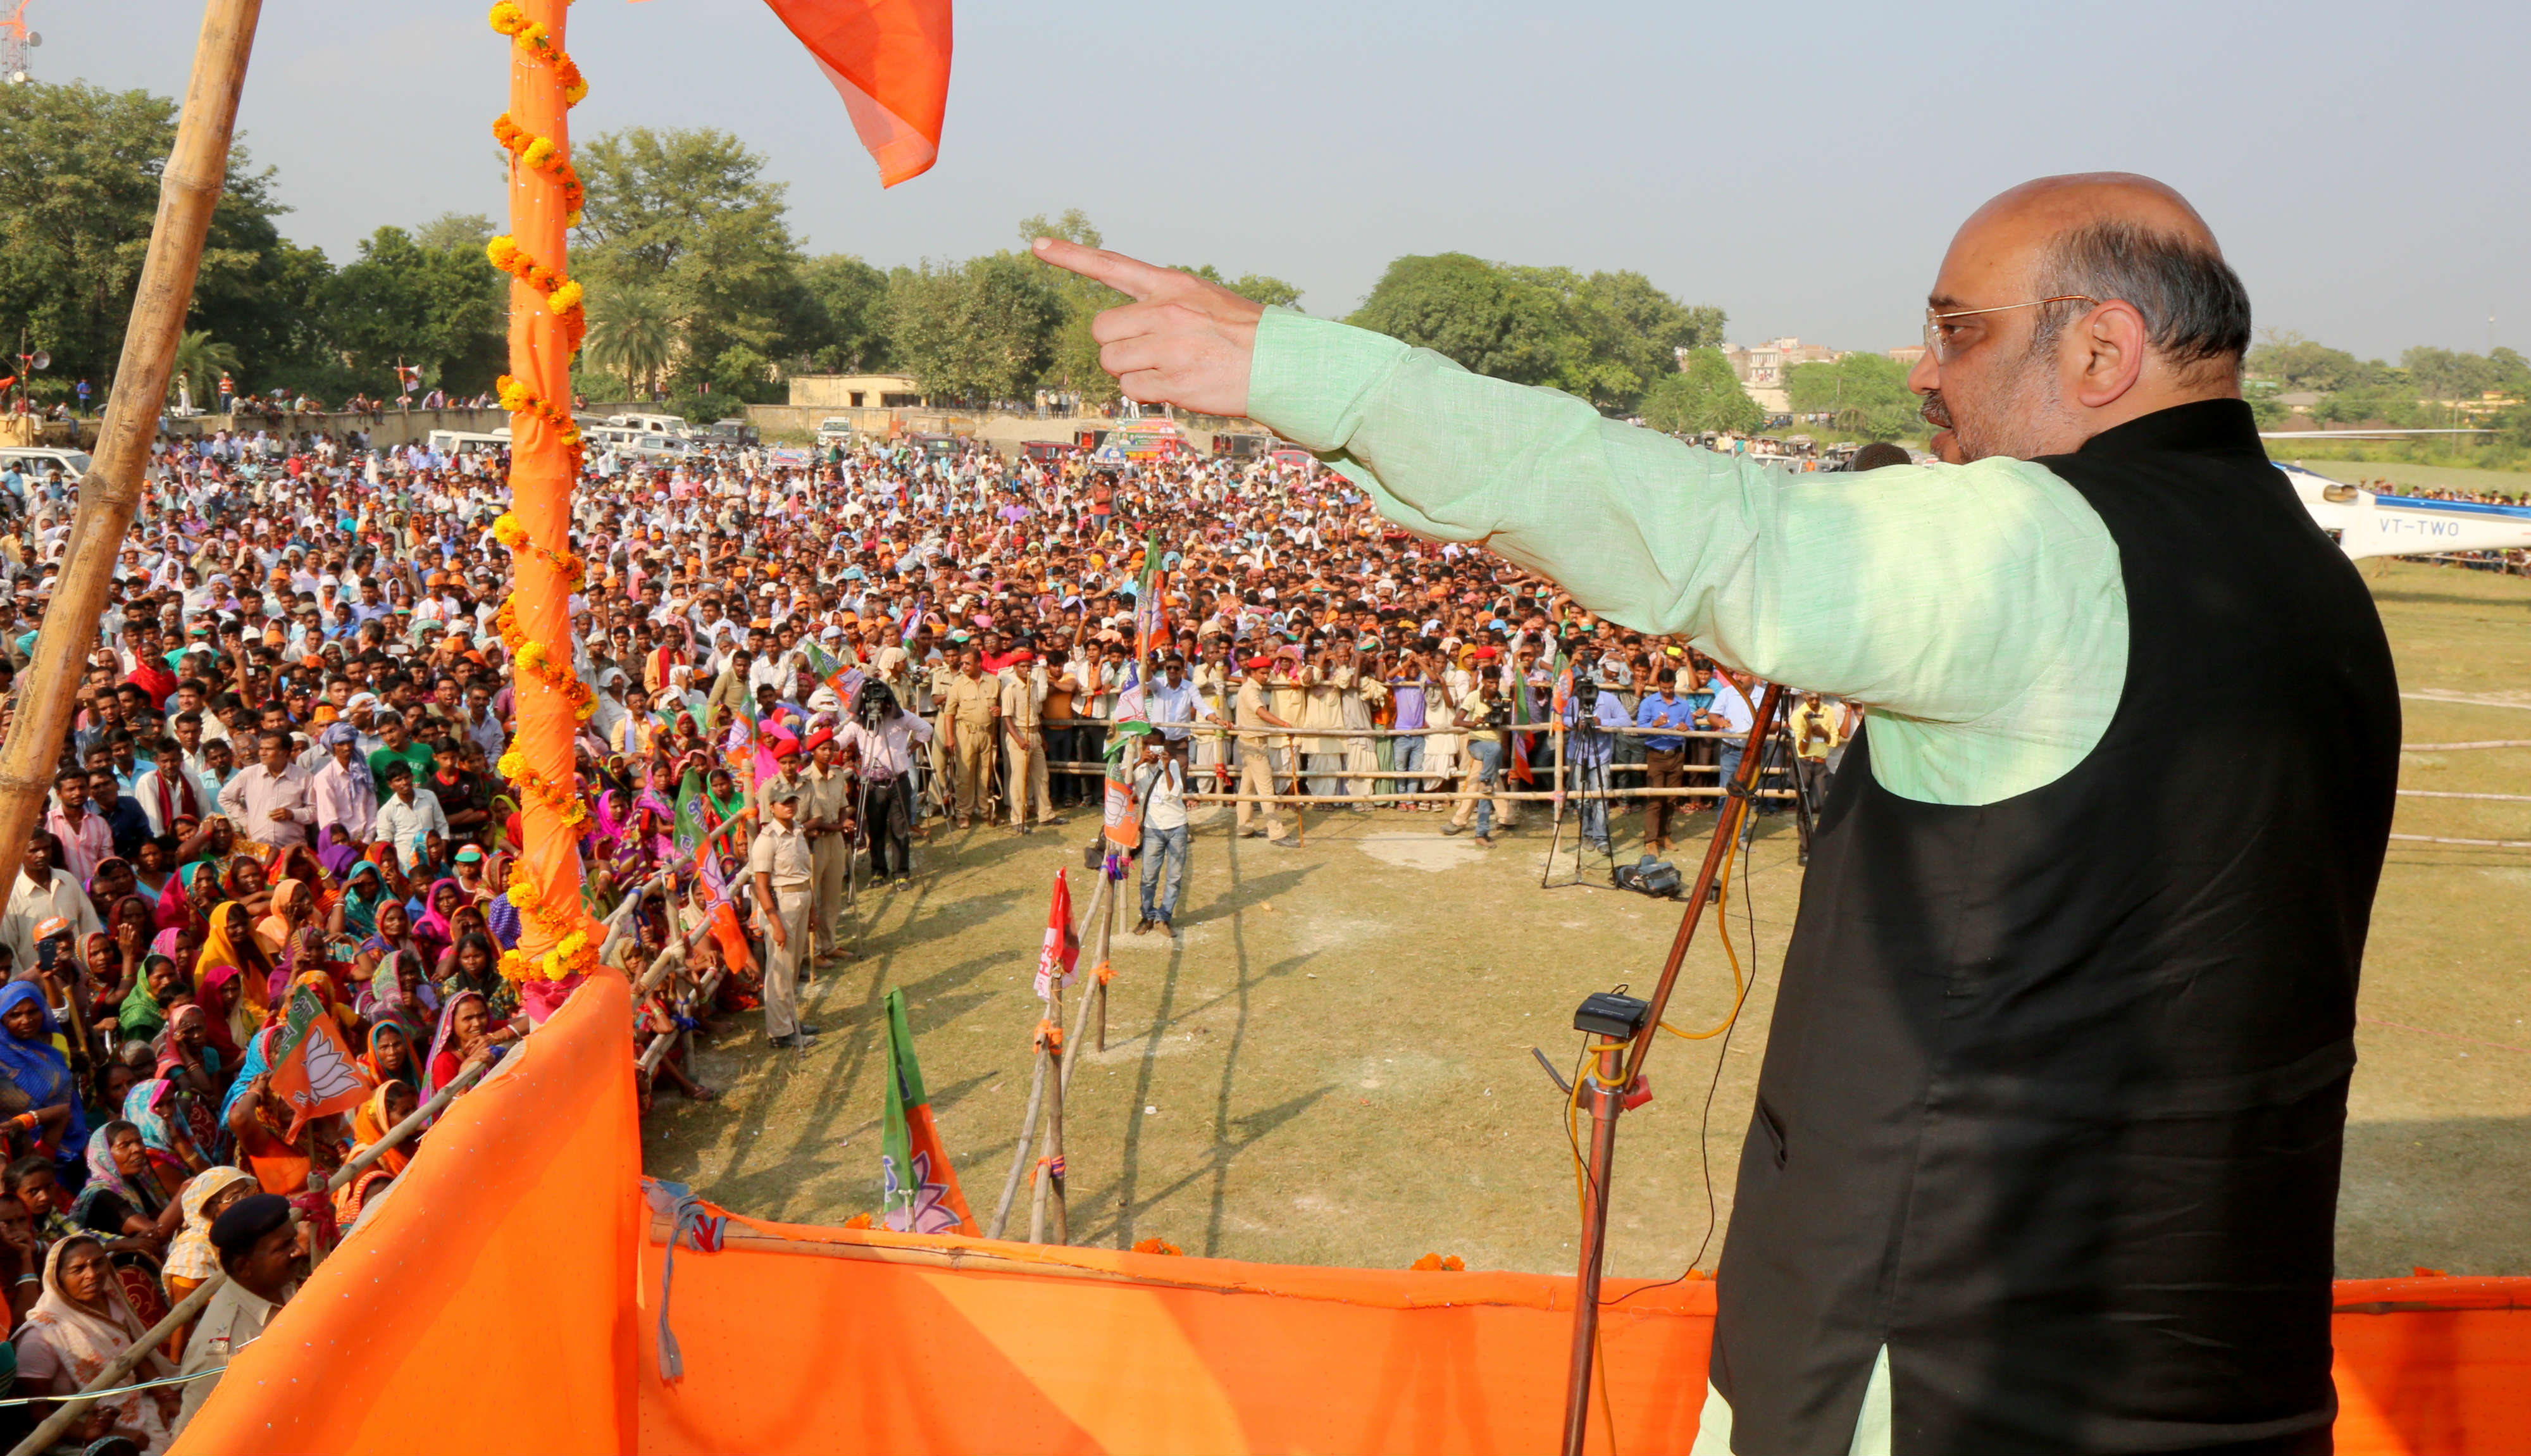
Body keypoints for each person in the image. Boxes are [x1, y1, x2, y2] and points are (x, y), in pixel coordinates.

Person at [1042, 178, 2403, 1452]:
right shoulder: (2309, 583)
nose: (1921, 373)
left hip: (1945, 1363)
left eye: (1952, 328)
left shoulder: (2045, 542)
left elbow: (1714, 536)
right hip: (2220, 1364)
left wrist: (1298, 369)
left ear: (2101, 350)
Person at [13, 1235, 177, 1451]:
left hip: (137, 1405)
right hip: (75, 1432)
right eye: (78, 1269)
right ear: (57, 1278)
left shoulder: (110, 1304)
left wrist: (165, 1397)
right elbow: (36, 1415)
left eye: (99, 1263)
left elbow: (135, 1357)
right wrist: (104, 1435)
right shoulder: (41, 1336)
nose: (92, 1275)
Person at [170, 1191, 300, 1436]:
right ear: (244, 1267)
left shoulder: (279, 1283)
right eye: (284, 1247)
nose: (299, 1251)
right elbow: (198, 1438)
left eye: (292, 1240)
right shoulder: (219, 1350)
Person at [747, 785, 819, 1050]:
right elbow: (761, 886)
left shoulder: (798, 830)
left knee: (792, 965)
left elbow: (804, 871)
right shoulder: (767, 840)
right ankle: (780, 1031)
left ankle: (791, 1021)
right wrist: (775, 923)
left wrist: (813, 911)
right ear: (772, 807)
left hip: (802, 896)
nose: (789, 806)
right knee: (779, 970)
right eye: (783, 803)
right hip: (782, 902)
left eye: (792, 802)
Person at [1130, 737, 1189, 936]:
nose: (1150, 749)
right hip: (1152, 829)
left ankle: (1164, 917)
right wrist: (1139, 761)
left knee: (1174, 877)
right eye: (1145, 745)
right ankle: (1147, 916)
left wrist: (1166, 768)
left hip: (1176, 827)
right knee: (1148, 877)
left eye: (1153, 745)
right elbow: (1122, 786)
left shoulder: (1172, 765)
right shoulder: (1138, 768)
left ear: (1163, 747)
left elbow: (1175, 793)